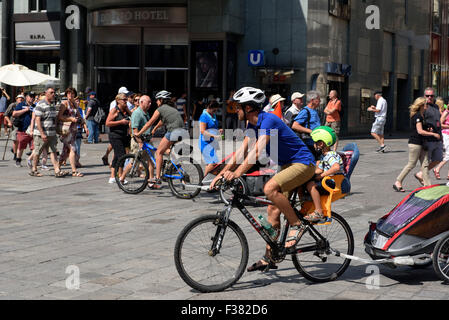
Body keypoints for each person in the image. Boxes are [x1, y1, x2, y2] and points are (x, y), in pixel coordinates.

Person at [209, 87, 316, 271]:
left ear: (249, 107)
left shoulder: (269, 120)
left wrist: (236, 174)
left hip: (303, 163)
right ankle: (270, 258)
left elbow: (257, 151)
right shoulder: (252, 125)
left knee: (269, 189)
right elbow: (241, 152)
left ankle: (297, 225)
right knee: (273, 211)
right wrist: (220, 174)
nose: (236, 110)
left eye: (238, 106)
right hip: (287, 165)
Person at [136, 90, 185, 187]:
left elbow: (149, 122)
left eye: (157, 100)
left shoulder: (160, 109)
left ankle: (157, 177)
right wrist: (154, 129)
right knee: (167, 151)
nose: (156, 102)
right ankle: (173, 168)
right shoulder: (171, 108)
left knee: (159, 152)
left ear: (161, 100)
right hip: (182, 131)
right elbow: (162, 121)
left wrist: (139, 133)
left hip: (173, 131)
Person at [305, 126, 349, 221]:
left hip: (333, 182)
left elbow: (336, 167)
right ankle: (306, 207)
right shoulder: (323, 156)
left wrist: (321, 176)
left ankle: (319, 211)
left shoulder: (330, 155)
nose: (314, 145)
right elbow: (319, 169)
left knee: (311, 185)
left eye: (315, 142)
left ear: (321, 144)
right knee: (306, 182)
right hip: (328, 181)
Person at [393, 97, 437, 191]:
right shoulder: (417, 116)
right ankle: (398, 181)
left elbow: (422, 129)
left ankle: (427, 186)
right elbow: (420, 131)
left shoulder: (422, 115)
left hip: (423, 143)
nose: (427, 106)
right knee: (411, 164)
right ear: (421, 105)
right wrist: (433, 134)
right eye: (426, 104)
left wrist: (428, 129)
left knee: (425, 165)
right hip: (415, 143)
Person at [124, 95, 159, 189]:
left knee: (151, 161)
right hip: (138, 141)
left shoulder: (146, 112)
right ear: (142, 102)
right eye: (149, 102)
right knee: (134, 162)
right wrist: (140, 142)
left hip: (146, 141)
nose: (150, 104)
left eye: (151, 102)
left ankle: (151, 182)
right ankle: (122, 177)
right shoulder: (137, 113)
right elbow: (135, 131)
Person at [31, 86, 66, 177]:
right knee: (37, 152)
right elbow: (37, 119)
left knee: (53, 151)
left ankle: (57, 171)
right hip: (41, 134)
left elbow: (54, 119)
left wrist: (56, 130)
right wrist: (42, 133)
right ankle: (34, 170)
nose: (53, 94)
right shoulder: (40, 104)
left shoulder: (52, 105)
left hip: (52, 134)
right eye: (51, 92)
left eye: (54, 92)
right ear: (46, 93)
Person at [414, 87, 444, 185]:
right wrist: (427, 129)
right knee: (425, 162)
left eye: (432, 95)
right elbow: (419, 122)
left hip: (438, 138)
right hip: (428, 138)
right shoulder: (424, 108)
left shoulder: (435, 107)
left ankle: (420, 174)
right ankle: (426, 183)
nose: (430, 97)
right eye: (427, 96)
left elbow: (438, 122)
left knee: (439, 159)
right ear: (424, 96)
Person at [58, 87, 85, 177]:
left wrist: (83, 123)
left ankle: (57, 168)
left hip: (73, 130)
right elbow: (60, 117)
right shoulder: (64, 104)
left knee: (65, 151)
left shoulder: (74, 104)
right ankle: (74, 171)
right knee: (73, 149)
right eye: (69, 93)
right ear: (66, 94)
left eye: (72, 93)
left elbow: (78, 115)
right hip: (66, 130)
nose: (70, 95)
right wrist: (70, 118)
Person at [105, 93, 132, 184]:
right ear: (118, 101)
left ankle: (112, 176)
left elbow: (133, 115)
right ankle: (120, 176)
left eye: (126, 99)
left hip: (124, 136)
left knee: (117, 156)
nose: (126, 101)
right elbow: (108, 123)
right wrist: (121, 122)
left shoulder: (125, 110)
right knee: (122, 156)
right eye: (124, 100)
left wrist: (128, 111)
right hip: (115, 136)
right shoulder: (114, 111)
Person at [291, 90, 322, 158]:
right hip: (308, 145)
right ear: (312, 100)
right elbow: (295, 125)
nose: (320, 101)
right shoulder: (305, 111)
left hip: (316, 144)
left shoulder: (315, 111)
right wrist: (311, 131)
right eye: (318, 99)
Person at [199, 99, 223, 177]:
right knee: (213, 163)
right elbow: (202, 131)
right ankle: (203, 180)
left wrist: (218, 130)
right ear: (209, 107)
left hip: (212, 143)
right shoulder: (204, 116)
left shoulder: (213, 115)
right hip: (205, 143)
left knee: (209, 163)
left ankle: (207, 182)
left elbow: (212, 127)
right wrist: (214, 136)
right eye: (214, 110)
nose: (215, 111)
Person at [12, 92, 34, 167]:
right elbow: (14, 114)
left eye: (33, 96)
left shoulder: (35, 106)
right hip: (23, 129)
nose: (32, 98)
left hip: (33, 130)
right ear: (26, 97)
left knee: (35, 146)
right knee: (21, 146)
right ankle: (18, 160)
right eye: (30, 96)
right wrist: (25, 110)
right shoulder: (21, 105)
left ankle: (33, 160)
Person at [432, 97, 448, 179]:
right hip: (445, 135)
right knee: (447, 155)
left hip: (446, 135)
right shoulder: (445, 112)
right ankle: (437, 168)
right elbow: (441, 124)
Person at [5, 95, 24, 161]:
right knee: (15, 140)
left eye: (22, 99)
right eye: (19, 98)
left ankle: (14, 150)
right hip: (14, 124)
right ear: (16, 99)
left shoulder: (24, 105)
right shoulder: (13, 105)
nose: (21, 100)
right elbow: (6, 115)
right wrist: (9, 122)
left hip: (22, 124)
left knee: (21, 140)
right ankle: (15, 155)